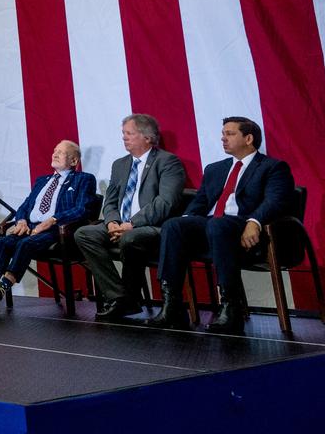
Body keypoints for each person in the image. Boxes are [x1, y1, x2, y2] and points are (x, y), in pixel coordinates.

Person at [148, 117, 294, 334]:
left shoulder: (272, 167)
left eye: (230, 133)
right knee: (173, 226)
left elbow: (276, 201)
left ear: (249, 138)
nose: (223, 138)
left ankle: (231, 307)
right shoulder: (215, 169)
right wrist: (186, 222)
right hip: (211, 224)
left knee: (219, 225)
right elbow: (200, 203)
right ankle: (173, 305)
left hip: (240, 224)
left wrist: (254, 222)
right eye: (222, 133)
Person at [74, 114, 186, 321]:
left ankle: (127, 299)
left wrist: (131, 224)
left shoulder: (168, 162)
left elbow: (166, 202)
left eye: (129, 133)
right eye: (123, 134)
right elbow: (110, 200)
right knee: (84, 233)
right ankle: (120, 297)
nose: (124, 138)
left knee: (130, 238)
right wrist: (112, 223)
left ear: (147, 137)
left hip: (152, 227)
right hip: (120, 225)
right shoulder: (120, 164)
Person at [0, 140, 96, 314]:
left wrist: (53, 219)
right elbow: (25, 206)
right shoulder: (42, 180)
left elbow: (82, 209)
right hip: (30, 227)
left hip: (57, 230)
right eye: (54, 150)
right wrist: (21, 220)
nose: (55, 154)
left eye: (61, 152)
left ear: (74, 161)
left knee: (24, 244)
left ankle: (1, 288)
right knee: (2, 242)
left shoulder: (84, 179)